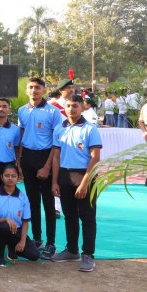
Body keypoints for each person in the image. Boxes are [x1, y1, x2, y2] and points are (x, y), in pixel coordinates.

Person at [50, 95, 103, 272]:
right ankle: (72, 250)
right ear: (64, 107)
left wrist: (84, 183)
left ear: (82, 107)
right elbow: (56, 158)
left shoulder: (90, 129)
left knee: (87, 217)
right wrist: (55, 181)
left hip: (84, 176)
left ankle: (88, 255)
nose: (71, 109)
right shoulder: (59, 129)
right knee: (69, 215)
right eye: (68, 106)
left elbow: (95, 157)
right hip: (64, 176)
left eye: (75, 106)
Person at [17, 77, 64, 260]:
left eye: (38, 88)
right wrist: (20, 161)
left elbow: (56, 142)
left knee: (48, 204)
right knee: (32, 202)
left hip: (46, 157)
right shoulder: (22, 111)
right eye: (31, 87)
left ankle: (51, 243)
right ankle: (37, 239)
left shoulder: (52, 112)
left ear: (44, 90)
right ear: (27, 91)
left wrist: (47, 166)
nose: (34, 90)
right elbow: (22, 135)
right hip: (27, 157)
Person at [0, 165, 41, 267]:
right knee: (5, 226)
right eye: (7, 176)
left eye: (13, 176)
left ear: (19, 178)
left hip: (16, 231)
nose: (10, 178)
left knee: (34, 255)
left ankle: (12, 248)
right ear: (2, 177)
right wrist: (6, 219)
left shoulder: (23, 197)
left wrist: (22, 241)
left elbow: (25, 222)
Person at [0, 98, 21, 191]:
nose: (1, 109)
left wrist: (18, 165)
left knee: (8, 193)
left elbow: (17, 148)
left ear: (9, 110)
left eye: (4, 106)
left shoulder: (15, 130)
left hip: (9, 165)